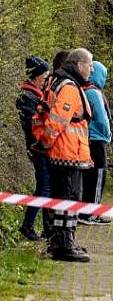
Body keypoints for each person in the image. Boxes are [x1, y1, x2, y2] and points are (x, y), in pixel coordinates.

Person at [32, 48, 93, 262]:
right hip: (68, 152)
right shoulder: (68, 87)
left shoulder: (55, 82)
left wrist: (42, 143)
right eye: (89, 65)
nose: (91, 69)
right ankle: (65, 244)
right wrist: (46, 142)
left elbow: (42, 114)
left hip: (61, 151)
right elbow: (57, 120)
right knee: (69, 200)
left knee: (61, 200)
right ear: (78, 64)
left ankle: (60, 242)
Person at [16, 56, 51, 241]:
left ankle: (42, 228)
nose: (47, 81)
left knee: (45, 187)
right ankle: (28, 226)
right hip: (39, 148)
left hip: (39, 146)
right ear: (36, 77)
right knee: (44, 188)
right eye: (45, 77)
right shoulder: (28, 97)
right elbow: (31, 127)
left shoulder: (33, 95)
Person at [79, 61, 111, 226]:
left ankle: (83, 211)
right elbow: (102, 118)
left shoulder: (82, 89)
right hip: (97, 139)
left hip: (85, 138)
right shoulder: (94, 93)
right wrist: (108, 135)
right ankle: (91, 213)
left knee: (86, 177)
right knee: (98, 176)